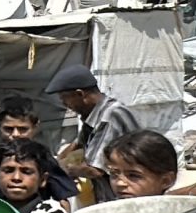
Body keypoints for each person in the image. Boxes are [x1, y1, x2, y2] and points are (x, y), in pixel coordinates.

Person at [46, 62, 138, 199]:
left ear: (80, 94)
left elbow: (95, 170)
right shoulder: (92, 117)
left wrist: (63, 170)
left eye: (65, 99)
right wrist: (53, 162)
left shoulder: (110, 116)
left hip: (126, 195)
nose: (65, 105)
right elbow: (77, 144)